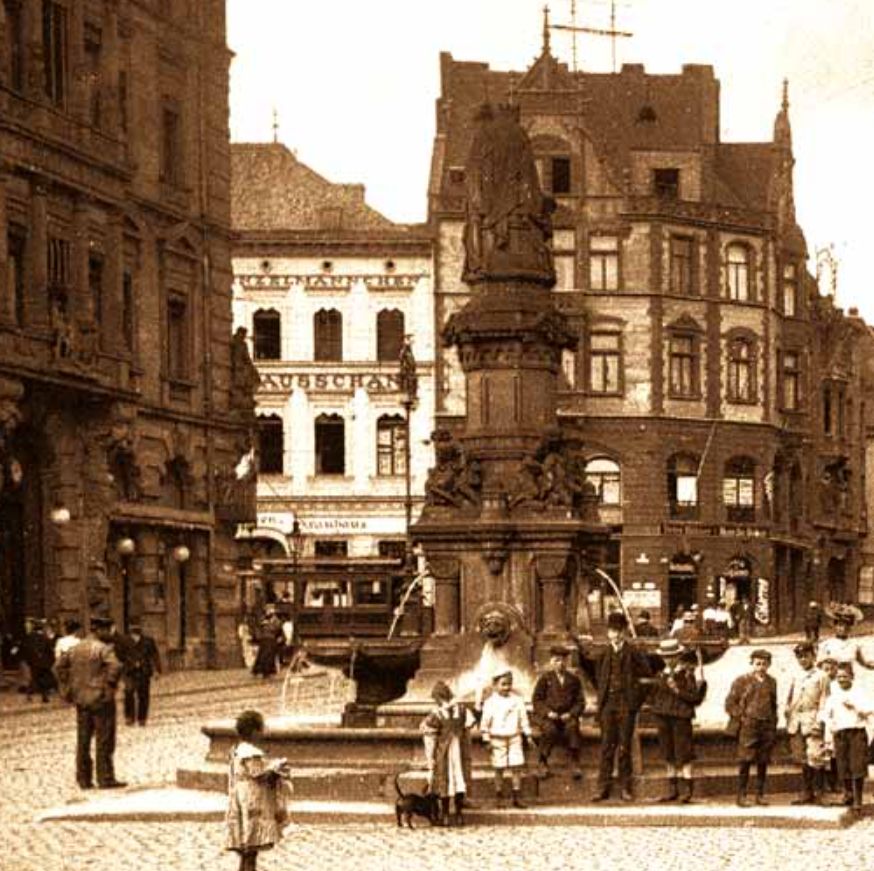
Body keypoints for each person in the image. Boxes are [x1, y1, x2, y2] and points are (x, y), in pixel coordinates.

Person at [53, 615, 125, 790]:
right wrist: (108, 686)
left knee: (83, 740)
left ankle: (84, 779)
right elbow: (116, 666)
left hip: (81, 700)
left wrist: (68, 689)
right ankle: (105, 778)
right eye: (107, 630)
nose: (109, 633)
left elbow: (57, 667)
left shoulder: (76, 648)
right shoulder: (102, 649)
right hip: (101, 700)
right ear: (100, 630)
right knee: (104, 739)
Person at [588, 611, 654, 802]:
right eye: (611, 631)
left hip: (626, 705)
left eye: (618, 631)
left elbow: (647, 677)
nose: (615, 635)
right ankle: (603, 788)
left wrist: (635, 701)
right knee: (607, 747)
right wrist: (603, 697)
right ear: (608, 632)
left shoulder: (634, 653)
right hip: (608, 705)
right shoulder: (603, 655)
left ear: (624, 632)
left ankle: (626, 787)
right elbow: (597, 679)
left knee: (624, 747)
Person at [225, 709, 292, 871]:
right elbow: (260, 775)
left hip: (239, 800)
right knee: (251, 849)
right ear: (254, 732)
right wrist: (278, 770)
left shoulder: (237, 750)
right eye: (262, 729)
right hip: (253, 803)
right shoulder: (251, 753)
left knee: (245, 848)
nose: (263, 733)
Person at [648, 640, 707, 803]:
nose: (668, 660)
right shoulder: (661, 675)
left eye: (672, 656)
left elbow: (695, 698)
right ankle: (672, 789)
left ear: (678, 656)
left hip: (681, 717)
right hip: (663, 716)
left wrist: (677, 691)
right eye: (666, 657)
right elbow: (654, 695)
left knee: (684, 753)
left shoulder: (687, 674)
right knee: (668, 753)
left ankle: (687, 789)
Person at [725, 648, 777, 807]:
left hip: (766, 725)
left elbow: (773, 704)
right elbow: (730, 703)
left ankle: (759, 794)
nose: (761, 667)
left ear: (769, 665)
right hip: (749, 726)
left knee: (763, 760)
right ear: (752, 663)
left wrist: (773, 722)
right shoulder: (742, 681)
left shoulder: (771, 682)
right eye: (757, 663)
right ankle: (741, 795)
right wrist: (742, 716)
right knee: (745, 760)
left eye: (764, 664)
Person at [419, 680, 475, 826]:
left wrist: (430, 758)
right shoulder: (463, 710)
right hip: (459, 751)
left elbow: (430, 738)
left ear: (437, 698)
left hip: (444, 752)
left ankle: (446, 814)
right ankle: (458, 813)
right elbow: (467, 732)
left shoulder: (436, 714)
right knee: (459, 779)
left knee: (445, 781)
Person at [819, 662, 873, 812]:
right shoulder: (834, 696)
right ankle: (847, 794)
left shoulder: (859, 693)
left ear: (852, 677)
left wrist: (855, 707)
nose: (842, 679)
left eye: (845, 676)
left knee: (857, 765)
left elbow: (869, 711)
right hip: (840, 734)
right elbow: (825, 714)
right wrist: (830, 726)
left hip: (856, 732)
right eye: (839, 677)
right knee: (843, 765)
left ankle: (858, 799)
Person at [785, 641, 830, 804]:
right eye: (800, 657)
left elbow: (825, 700)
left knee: (815, 756)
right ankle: (806, 792)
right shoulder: (795, 675)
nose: (803, 660)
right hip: (796, 721)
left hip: (813, 720)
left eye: (806, 656)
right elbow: (789, 698)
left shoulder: (821, 676)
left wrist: (820, 721)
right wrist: (788, 715)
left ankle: (819, 793)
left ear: (813, 656)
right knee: (801, 757)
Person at [480, 669, 532, 809]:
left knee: (516, 767)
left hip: (514, 737)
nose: (506, 687)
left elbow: (523, 719)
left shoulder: (517, 701)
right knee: (499, 767)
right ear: (495, 685)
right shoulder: (490, 702)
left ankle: (516, 796)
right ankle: (499, 796)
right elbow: (484, 723)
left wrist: (527, 734)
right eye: (503, 684)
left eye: (509, 684)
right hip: (497, 738)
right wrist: (486, 738)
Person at [531, 645, 586, 779]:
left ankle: (574, 762)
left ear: (566, 662)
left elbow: (580, 702)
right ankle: (543, 762)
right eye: (556, 660)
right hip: (550, 717)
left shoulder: (573, 680)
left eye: (562, 661)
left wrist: (572, 713)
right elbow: (537, 700)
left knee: (573, 727)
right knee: (549, 730)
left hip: (567, 716)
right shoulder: (545, 679)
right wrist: (547, 712)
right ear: (551, 662)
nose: (560, 664)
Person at [121, 621, 162, 726]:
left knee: (143, 695)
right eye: (133, 626)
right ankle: (129, 717)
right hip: (129, 672)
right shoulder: (124, 641)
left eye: (137, 626)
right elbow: (119, 656)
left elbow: (155, 656)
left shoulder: (148, 641)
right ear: (129, 628)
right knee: (128, 692)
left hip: (144, 671)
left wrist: (157, 670)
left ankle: (142, 718)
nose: (135, 629)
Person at [21, 618, 56, 703]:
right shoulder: (45, 638)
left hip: (34, 662)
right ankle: (44, 696)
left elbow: (27, 650)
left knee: (34, 678)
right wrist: (51, 661)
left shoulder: (29, 637)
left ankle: (30, 695)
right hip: (44, 662)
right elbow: (49, 650)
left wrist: (29, 661)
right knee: (42, 679)